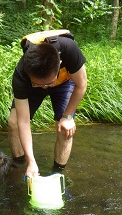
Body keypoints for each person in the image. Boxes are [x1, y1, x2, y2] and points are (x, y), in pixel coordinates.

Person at [8, 30, 87, 177]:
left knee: (65, 128)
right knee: (13, 122)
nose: (45, 88)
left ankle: (58, 173)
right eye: (40, 85)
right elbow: (23, 121)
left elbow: (81, 84)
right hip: (33, 85)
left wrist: (68, 117)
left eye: (48, 84)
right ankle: (19, 165)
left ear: (60, 63)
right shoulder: (21, 75)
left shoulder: (69, 49)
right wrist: (32, 161)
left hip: (64, 82)